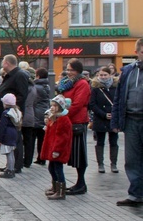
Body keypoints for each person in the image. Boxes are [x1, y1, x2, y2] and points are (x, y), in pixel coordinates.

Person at [111, 37, 143, 207]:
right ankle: (135, 194)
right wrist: (116, 120)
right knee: (132, 159)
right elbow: (119, 97)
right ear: (136, 52)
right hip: (131, 119)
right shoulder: (129, 71)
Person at [59, 58, 91, 195]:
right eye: (67, 69)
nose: (68, 72)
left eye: (71, 69)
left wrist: (64, 114)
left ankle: (81, 183)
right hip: (69, 120)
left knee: (80, 153)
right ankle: (78, 183)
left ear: (77, 70)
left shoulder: (82, 84)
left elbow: (78, 104)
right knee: (74, 154)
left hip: (77, 121)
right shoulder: (68, 84)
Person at [0, 55, 29, 174]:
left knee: (15, 139)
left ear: (7, 63)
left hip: (13, 113)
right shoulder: (11, 75)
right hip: (7, 112)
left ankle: (16, 165)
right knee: (9, 139)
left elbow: (22, 95)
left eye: (3, 61)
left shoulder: (19, 75)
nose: (2, 64)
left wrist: (12, 108)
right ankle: (10, 164)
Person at [41, 95, 73, 200]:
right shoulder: (55, 118)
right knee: (52, 167)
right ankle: (55, 187)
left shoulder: (63, 119)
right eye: (52, 105)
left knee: (58, 169)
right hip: (53, 147)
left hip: (58, 149)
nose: (52, 107)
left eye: (55, 106)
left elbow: (62, 137)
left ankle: (61, 191)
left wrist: (57, 150)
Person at [89, 66, 119, 174]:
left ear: (110, 75)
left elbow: (118, 101)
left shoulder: (116, 86)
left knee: (114, 142)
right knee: (100, 142)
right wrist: (103, 114)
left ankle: (113, 164)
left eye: (105, 75)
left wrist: (114, 114)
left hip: (113, 118)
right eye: (101, 75)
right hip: (100, 118)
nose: (103, 77)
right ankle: (100, 164)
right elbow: (92, 104)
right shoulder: (95, 88)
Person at [0, 93, 22, 179]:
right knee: (11, 152)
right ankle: (11, 169)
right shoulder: (16, 112)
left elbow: (2, 126)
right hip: (14, 133)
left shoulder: (5, 113)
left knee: (9, 153)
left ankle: (9, 170)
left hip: (7, 134)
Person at [32, 68, 51, 165]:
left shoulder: (36, 87)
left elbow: (33, 100)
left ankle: (32, 158)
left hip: (36, 112)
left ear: (38, 76)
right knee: (42, 138)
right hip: (45, 111)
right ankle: (42, 157)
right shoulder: (47, 86)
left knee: (32, 137)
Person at [21, 67, 38, 169]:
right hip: (30, 113)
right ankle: (28, 160)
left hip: (25, 114)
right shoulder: (33, 87)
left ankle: (25, 160)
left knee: (25, 139)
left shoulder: (26, 88)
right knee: (28, 139)